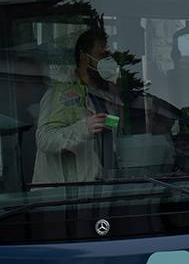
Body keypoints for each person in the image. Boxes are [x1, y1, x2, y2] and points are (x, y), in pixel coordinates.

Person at [35, 28, 124, 184]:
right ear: (84, 58)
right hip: (64, 194)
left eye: (110, 56)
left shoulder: (104, 95)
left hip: (101, 188)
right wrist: (84, 128)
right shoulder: (61, 93)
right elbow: (45, 139)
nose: (109, 62)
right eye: (102, 56)